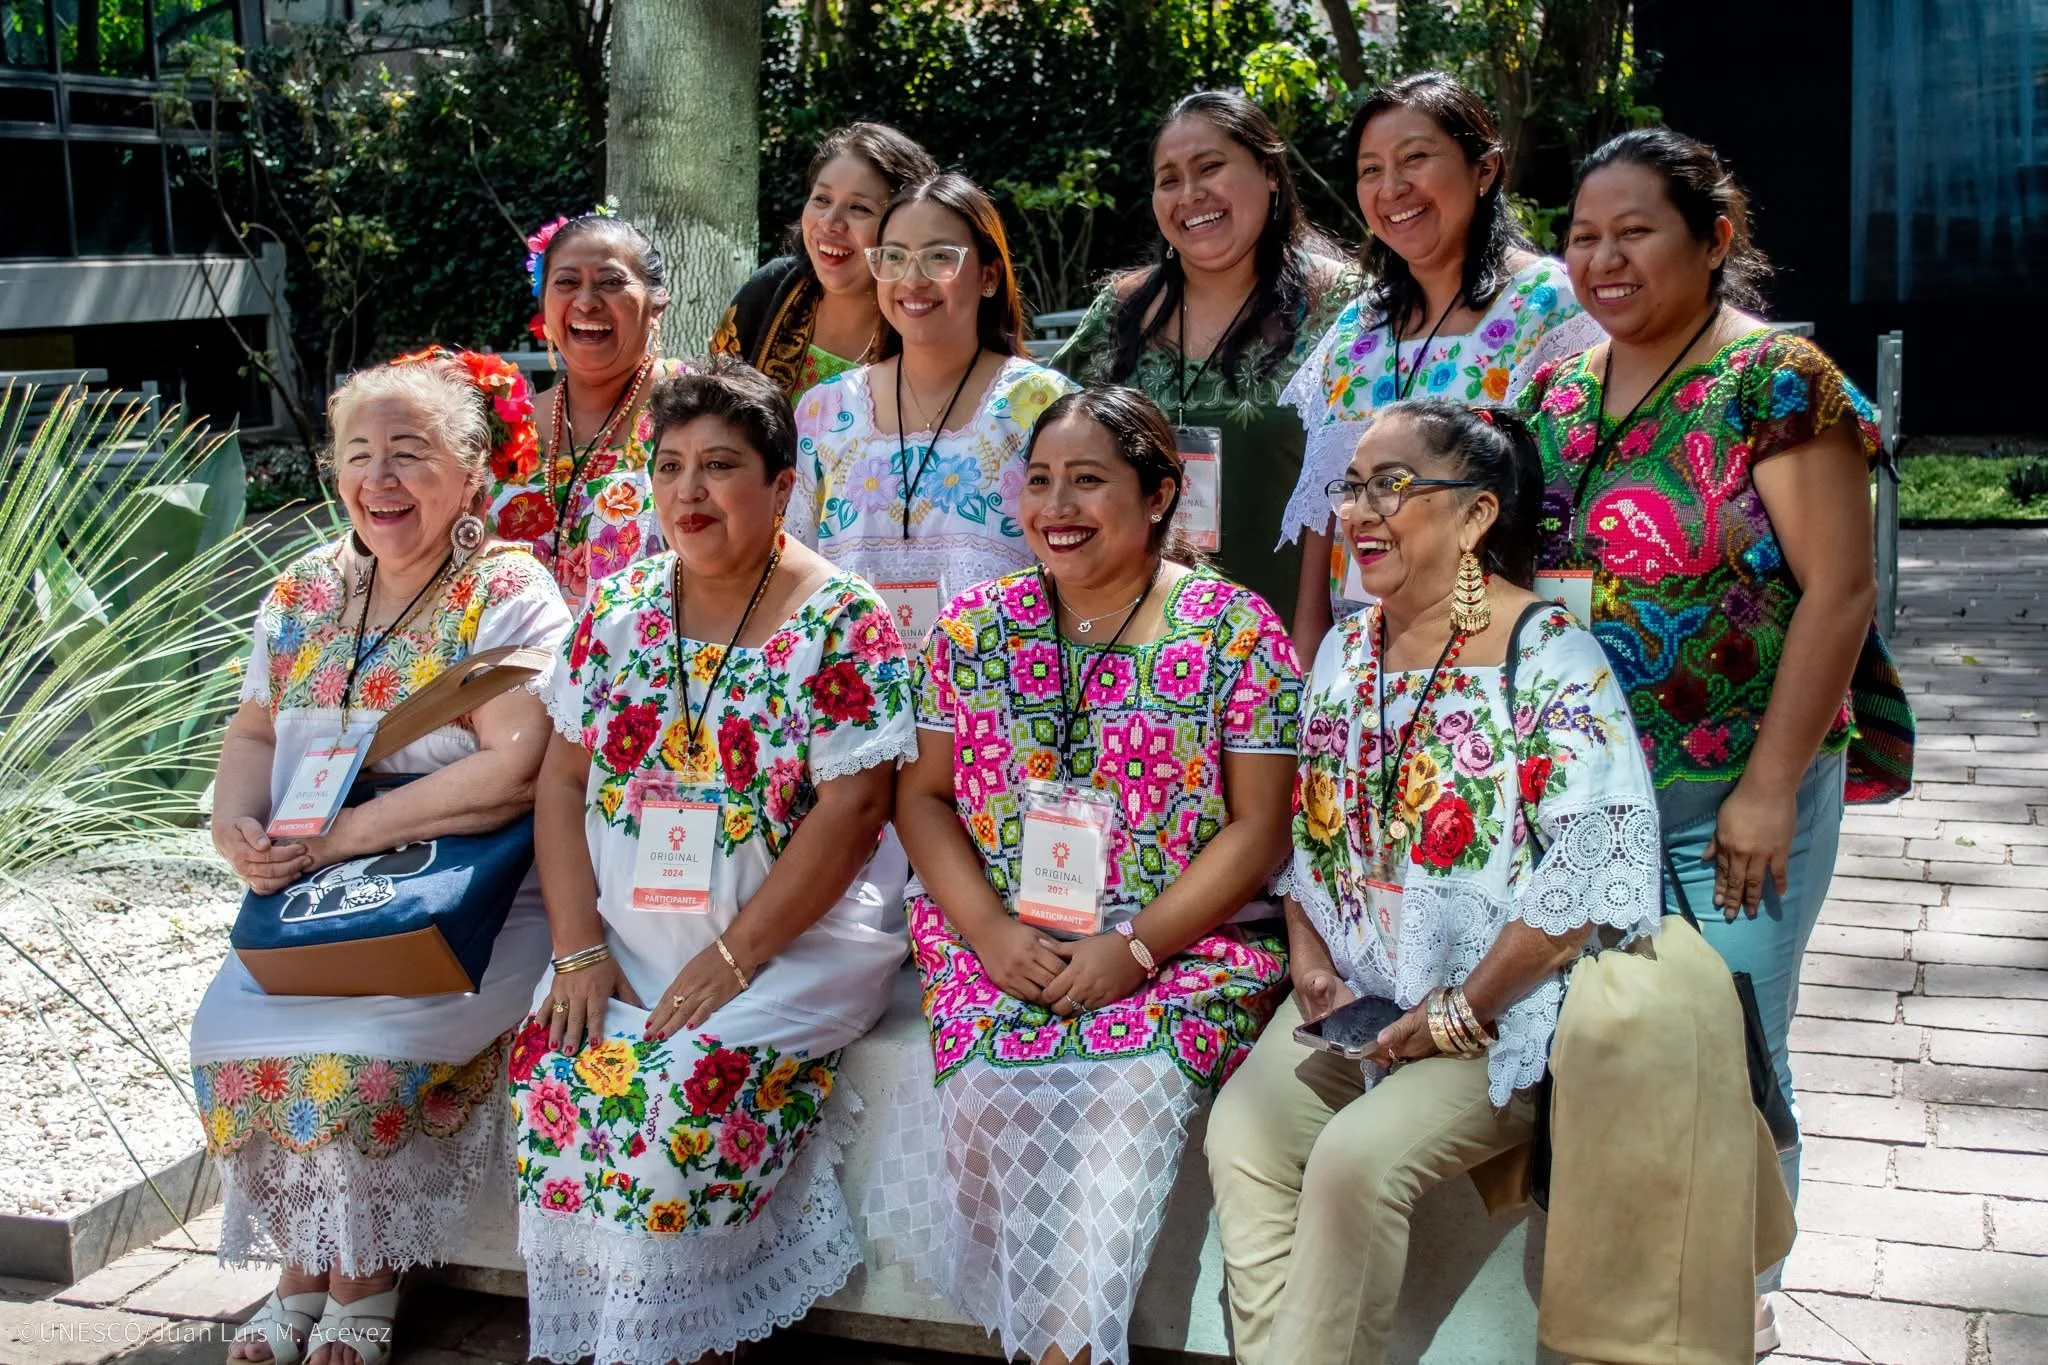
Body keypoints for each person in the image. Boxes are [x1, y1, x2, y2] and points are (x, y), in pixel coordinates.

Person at [1204, 400, 1664, 1365]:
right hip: (1355, 1004)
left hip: (1501, 1019)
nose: (1358, 512)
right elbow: (1308, 841)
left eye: (1392, 486)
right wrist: (1309, 963)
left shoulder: (1550, 655)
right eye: (1352, 487)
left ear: (1476, 514)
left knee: (1354, 1162)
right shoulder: (1343, 652)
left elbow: (1583, 877)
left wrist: (1456, 1011)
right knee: (1243, 1136)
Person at [1524, 128, 1881, 1352]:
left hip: (1728, 788)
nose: (1602, 259)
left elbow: (1838, 590)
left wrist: (1768, 788)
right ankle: (1626, 1290)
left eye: (1634, 232)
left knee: (1730, 1046)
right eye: (1582, 236)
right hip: (1583, 800)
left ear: (1713, 239)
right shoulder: (1553, 394)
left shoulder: (1777, 382)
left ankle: (1739, 1291)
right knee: (1609, 1047)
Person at [867, 387, 1300, 1365]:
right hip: (999, 937)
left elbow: (1259, 826)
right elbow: (922, 798)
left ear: (1158, 495)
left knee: (1121, 1105)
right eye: (1039, 481)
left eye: (1087, 481)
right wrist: (989, 932)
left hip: (1183, 948)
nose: (1055, 506)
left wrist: (1135, 947)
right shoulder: (975, 627)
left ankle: (1065, 1351)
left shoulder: (1233, 631)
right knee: (993, 1091)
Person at [510, 359, 918, 1365]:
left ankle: (685, 1341)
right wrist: (576, 949)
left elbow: (857, 807)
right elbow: (560, 783)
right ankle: (629, 1340)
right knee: (552, 1069)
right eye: (670, 465)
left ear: (781, 485)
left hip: (790, 947)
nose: (688, 491)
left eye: (720, 465)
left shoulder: (843, 620)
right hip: (621, 944)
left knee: (679, 1103)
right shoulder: (618, 609)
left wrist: (734, 958)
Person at [194, 352, 569, 1365]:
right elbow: (254, 732)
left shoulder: (507, 590)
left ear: (472, 470)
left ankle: (364, 1278)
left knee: (353, 1051)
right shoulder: (305, 589)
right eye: (358, 454)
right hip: (319, 892)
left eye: (409, 452)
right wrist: (238, 828)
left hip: (472, 898)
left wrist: (347, 834)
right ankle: (303, 1265)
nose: (380, 478)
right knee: (228, 1036)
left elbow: (515, 768)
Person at [1277, 71, 1603, 659]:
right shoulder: (1356, 328)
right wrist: (1310, 642)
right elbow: (1327, 511)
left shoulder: (1550, 307)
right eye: (1371, 169)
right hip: (1365, 646)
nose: (1392, 188)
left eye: (1415, 158)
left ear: (1486, 169)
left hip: (1494, 644)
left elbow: (1575, 492)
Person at [1051, 89, 1358, 620]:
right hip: (1139, 637)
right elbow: (1046, 451)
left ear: (1269, 172)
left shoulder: (1344, 307)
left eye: (1210, 167)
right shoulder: (1120, 312)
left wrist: (1315, 639)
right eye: (1169, 179)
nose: (1190, 194)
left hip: (1299, 633)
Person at [788, 170, 1079, 649]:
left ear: (989, 276)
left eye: (939, 257)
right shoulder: (825, 410)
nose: (913, 279)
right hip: (856, 686)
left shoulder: (1043, 405)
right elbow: (793, 565)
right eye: (895, 257)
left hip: (1000, 683)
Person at [491, 211, 688, 612]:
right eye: (566, 282)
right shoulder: (509, 427)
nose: (585, 302)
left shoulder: (698, 409)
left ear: (657, 304)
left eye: (611, 282)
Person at [711, 122, 939, 399]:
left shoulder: (926, 322)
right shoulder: (768, 290)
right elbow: (707, 404)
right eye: (822, 199)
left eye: (859, 208)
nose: (830, 222)